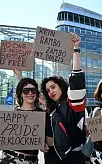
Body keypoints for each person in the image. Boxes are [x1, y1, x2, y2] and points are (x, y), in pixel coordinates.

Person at [40, 33, 87, 164]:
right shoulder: (51, 109)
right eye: (48, 90)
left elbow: (77, 82)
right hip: (51, 157)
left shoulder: (72, 103)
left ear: (62, 86)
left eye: (53, 87)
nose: (51, 92)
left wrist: (75, 50)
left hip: (70, 159)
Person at [0, 78, 43, 164]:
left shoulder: (42, 114)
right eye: (26, 91)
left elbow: (45, 138)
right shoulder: (12, 113)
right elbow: (2, 141)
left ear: (36, 93)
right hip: (9, 158)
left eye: (33, 90)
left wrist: (44, 145)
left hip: (31, 160)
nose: (30, 93)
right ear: (21, 94)